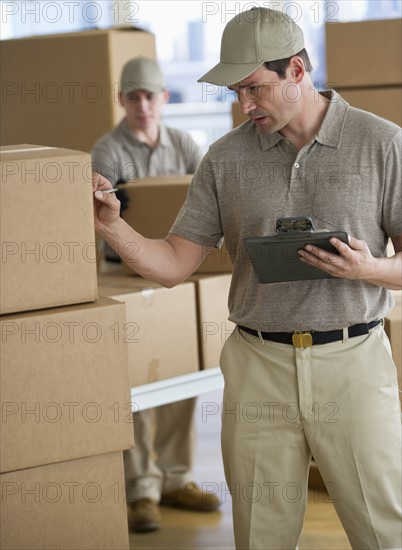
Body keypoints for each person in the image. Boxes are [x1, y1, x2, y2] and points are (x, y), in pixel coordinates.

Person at [92, 8, 402, 549]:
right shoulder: (224, 159)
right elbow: (172, 263)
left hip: (353, 362)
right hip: (258, 366)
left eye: (255, 87)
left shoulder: (381, 144)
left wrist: (368, 268)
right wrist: (114, 227)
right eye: (236, 90)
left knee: (384, 530)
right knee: (260, 537)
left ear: (298, 73)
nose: (245, 104)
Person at [91, 56, 220, 533]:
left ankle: (175, 479)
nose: (143, 105)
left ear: (164, 98)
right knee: (135, 386)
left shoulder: (185, 145)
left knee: (183, 376)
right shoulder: (106, 151)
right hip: (124, 276)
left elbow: (208, 203)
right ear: (123, 100)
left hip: (176, 267)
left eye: (151, 96)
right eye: (133, 96)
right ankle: (140, 491)